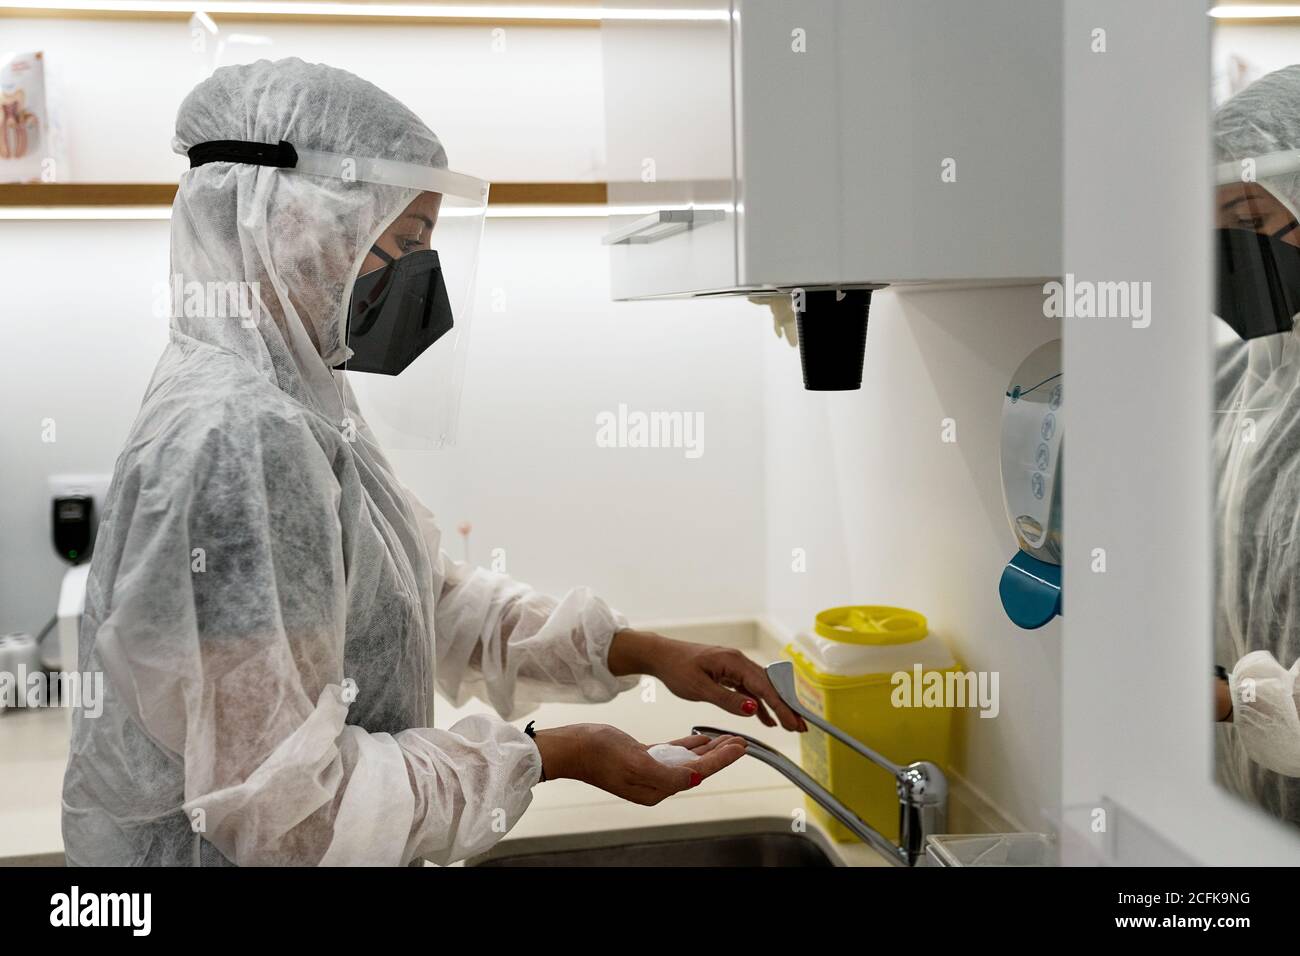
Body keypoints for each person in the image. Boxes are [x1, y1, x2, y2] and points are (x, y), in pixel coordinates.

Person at [61, 58, 804, 867]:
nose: (422, 278)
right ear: (299, 224)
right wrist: (555, 754)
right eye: (406, 240)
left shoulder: (297, 398)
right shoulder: (240, 435)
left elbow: (414, 598)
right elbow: (289, 814)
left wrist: (645, 652)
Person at [1213, 64, 1300, 824]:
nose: (1228, 254)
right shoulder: (1233, 381)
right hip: (1248, 821)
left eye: (1246, 217)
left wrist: (1220, 696)